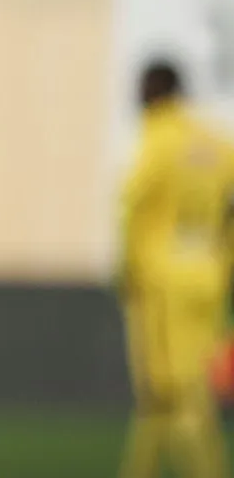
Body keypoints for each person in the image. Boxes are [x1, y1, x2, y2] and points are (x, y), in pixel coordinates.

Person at [118, 59, 234, 478]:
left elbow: (131, 204)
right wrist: (225, 263)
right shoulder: (215, 142)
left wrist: (127, 269)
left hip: (161, 281)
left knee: (176, 394)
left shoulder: (158, 138)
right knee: (170, 394)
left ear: (150, 92)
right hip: (208, 277)